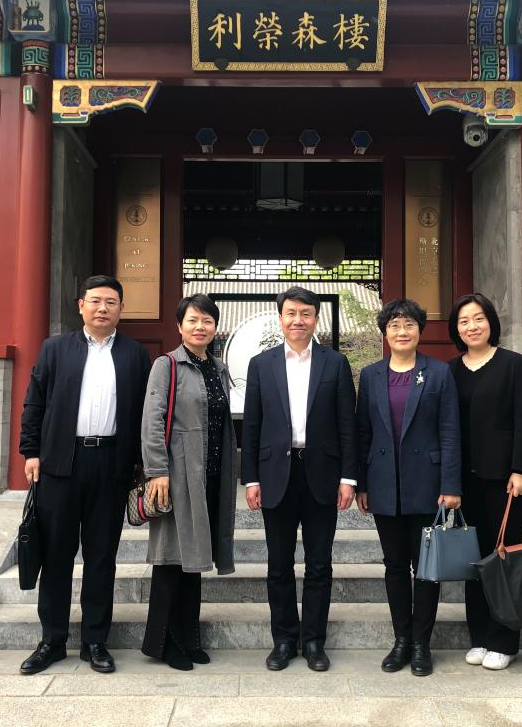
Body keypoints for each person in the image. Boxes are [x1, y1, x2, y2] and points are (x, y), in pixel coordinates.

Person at [18, 275, 151, 675]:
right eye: (95, 301)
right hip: (61, 463)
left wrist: (142, 463)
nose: (102, 308)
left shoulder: (135, 355)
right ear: (81, 306)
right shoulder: (56, 349)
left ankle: (95, 640)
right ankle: (52, 640)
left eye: (111, 302)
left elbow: (146, 413)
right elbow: (34, 402)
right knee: (56, 555)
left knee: (101, 557)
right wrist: (31, 451)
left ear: (121, 309)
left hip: (111, 465)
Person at [241, 286, 357, 672]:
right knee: (279, 564)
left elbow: (347, 424)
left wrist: (348, 478)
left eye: (305, 314)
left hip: (322, 474)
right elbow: (252, 425)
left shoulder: (334, 363)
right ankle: (284, 640)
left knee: (319, 564)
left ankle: (313, 642)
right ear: (280, 318)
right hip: (276, 474)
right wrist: (251, 479)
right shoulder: (262, 364)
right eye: (291, 313)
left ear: (315, 318)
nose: (298, 320)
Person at [355, 298, 461, 676]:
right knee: (394, 566)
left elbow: (450, 431)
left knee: (426, 568)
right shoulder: (370, 375)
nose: (402, 332)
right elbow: (363, 433)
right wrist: (362, 483)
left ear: (420, 330)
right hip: (384, 485)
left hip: (428, 486)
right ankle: (401, 640)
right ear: (385, 333)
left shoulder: (438, 373)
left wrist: (451, 485)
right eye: (395, 326)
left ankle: (421, 644)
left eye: (409, 325)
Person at [140, 294, 237, 671]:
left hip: (210, 475)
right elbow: (152, 419)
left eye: (207, 321)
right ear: (179, 326)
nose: (200, 327)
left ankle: (189, 636)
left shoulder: (218, 367)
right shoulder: (167, 365)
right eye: (193, 320)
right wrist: (157, 471)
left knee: (193, 559)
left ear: (215, 327)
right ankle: (164, 643)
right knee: (171, 560)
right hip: (176, 474)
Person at [447, 293, 522, 671]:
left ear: (491, 323)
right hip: (464, 483)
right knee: (475, 561)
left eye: (478, 318)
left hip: (505, 481)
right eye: (464, 321)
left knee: (503, 557)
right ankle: (480, 636)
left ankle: (505, 640)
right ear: (456, 329)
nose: (472, 326)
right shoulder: (450, 370)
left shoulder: (514, 365)